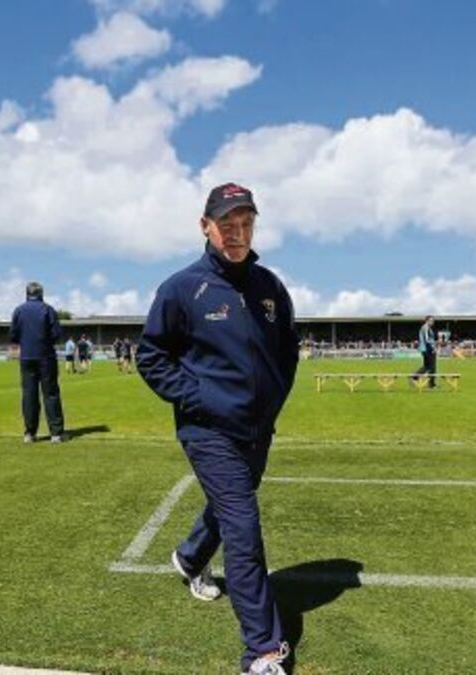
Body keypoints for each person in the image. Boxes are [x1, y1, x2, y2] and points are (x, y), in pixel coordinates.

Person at [137, 183, 299, 675]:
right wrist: (201, 399)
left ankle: (190, 558)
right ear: (205, 226)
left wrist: (270, 403)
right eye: (226, 224)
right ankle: (263, 652)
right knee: (243, 528)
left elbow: (287, 351)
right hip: (208, 431)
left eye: (246, 223)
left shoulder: (270, 288)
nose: (237, 233)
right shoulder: (182, 288)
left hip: (257, 429)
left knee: (231, 505)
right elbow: (151, 357)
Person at [9, 282, 66, 443]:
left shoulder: (19, 310)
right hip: (45, 356)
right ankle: (56, 433)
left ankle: (30, 433)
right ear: (41, 294)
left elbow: (13, 335)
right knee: (51, 393)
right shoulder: (48, 310)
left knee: (29, 394)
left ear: (27, 294)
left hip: (27, 356)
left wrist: (25, 341)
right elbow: (56, 335)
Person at [412, 315, 437, 388]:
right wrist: (432, 349)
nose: (432, 322)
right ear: (426, 321)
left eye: (433, 321)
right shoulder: (425, 327)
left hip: (427, 349)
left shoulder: (427, 328)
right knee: (431, 367)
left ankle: (416, 377)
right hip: (427, 349)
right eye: (430, 320)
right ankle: (416, 377)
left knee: (428, 366)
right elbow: (427, 340)